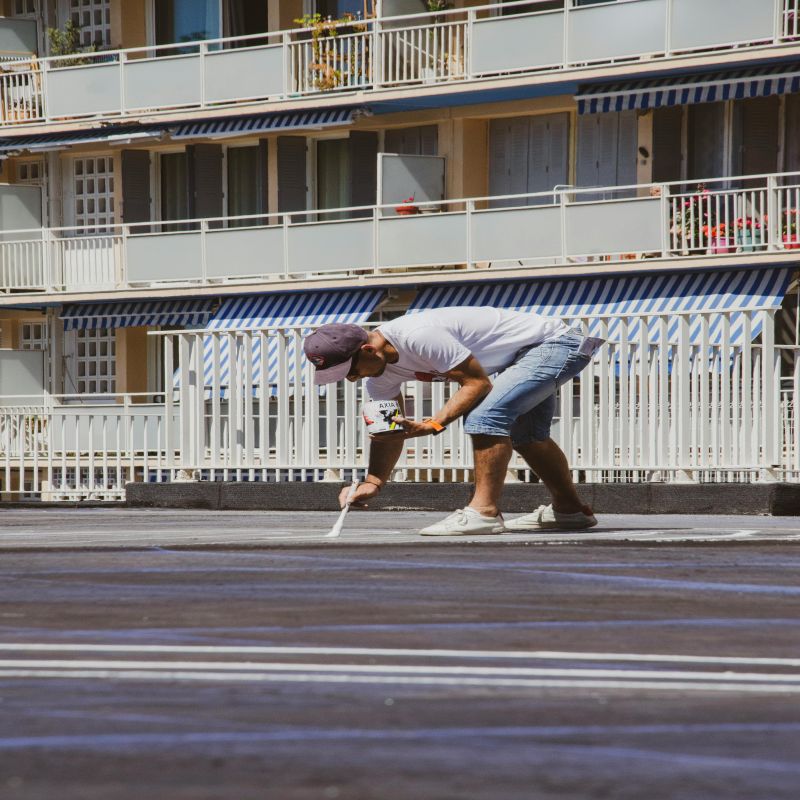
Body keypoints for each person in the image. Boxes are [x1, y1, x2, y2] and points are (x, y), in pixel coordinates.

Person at [303, 307, 603, 536]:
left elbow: (477, 383)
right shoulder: (378, 376)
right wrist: (373, 482)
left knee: (486, 416)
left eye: (350, 371)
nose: (352, 379)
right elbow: (387, 432)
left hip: (556, 343)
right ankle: (570, 510)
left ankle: (483, 513)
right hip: (522, 357)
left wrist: (433, 424)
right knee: (526, 434)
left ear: (368, 350)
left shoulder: (417, 335)